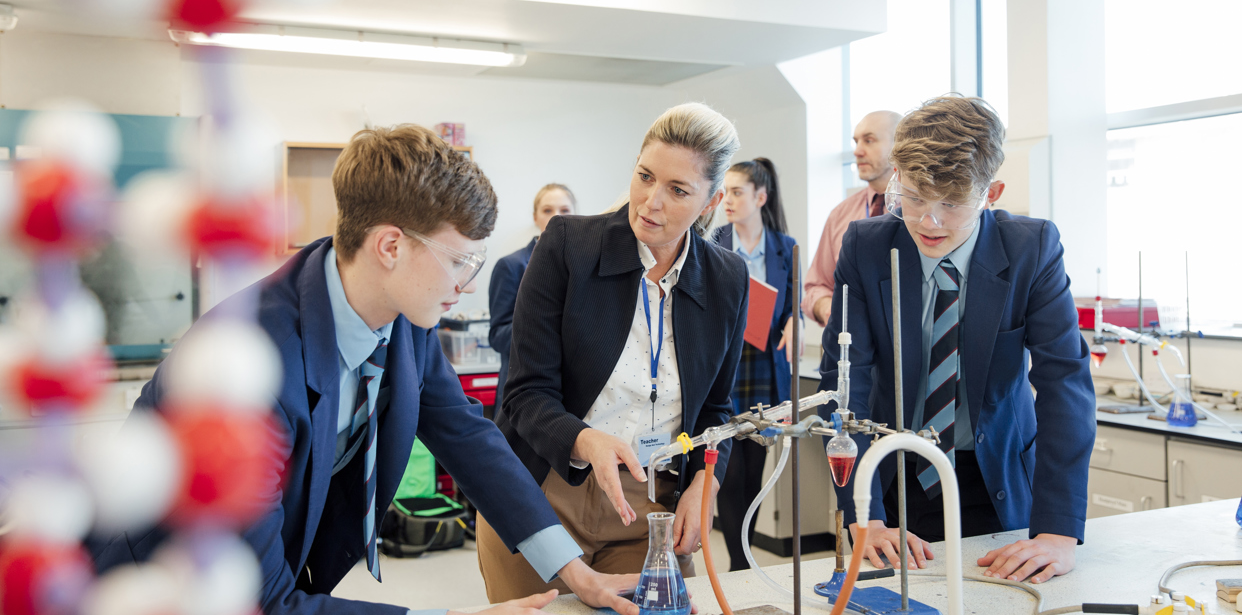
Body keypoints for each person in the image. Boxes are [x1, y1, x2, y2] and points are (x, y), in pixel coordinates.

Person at [90, 125, 639, 615]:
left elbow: (468, 436)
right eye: (459, 261)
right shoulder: (246, 370)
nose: (468, 283)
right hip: (154, 586)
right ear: (390, 246)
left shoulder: (402, 316)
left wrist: (574, 570)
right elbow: (260, 601)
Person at [478, 103, 750, 602]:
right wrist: (586, 440)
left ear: (710, 203)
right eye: (645, 176)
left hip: (651, 504)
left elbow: (717, 411)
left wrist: (705, 484)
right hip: (545, 492)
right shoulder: (567, 246)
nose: (650, 201)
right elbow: (525, 393)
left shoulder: (726, 279)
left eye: (678, 190)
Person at [821, 96, 1094, 585]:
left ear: (993, 192)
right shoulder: (865, 246)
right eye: (916, 197)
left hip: (998, 481)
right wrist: (865, 514)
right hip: (892, 477)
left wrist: (1058, 532)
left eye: (952, 203)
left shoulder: (1031, 249)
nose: (929, 221)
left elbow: (1065, 385)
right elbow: (845, 383)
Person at [710, 157, 799, 571]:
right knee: (728, 468)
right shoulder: (712, 241)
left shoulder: (786, 248)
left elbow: (791, 308)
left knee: (755, 467)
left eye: (737, 192)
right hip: (723, 363)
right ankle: (739, 564)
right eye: (724, 191)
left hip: (765, 366)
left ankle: (742, 559)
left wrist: (796, 318)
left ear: (760, 197)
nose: (727, 199)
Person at [803, 110, 901, 327]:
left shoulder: (924, 215)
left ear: (899, 145)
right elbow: (816, 286)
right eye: (856, 141)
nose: (857, 151)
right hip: (849, 350)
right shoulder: (840, 215)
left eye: (869, 140)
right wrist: (828, 309)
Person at [489, 183, 578, 412]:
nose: (557, 217)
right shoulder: (510, 266)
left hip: (571, 396)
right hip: (522, 393)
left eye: (565, 210)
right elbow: (498, 336)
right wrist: (548, 324)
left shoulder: (583, 270)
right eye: (548, 210)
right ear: (535, 217)